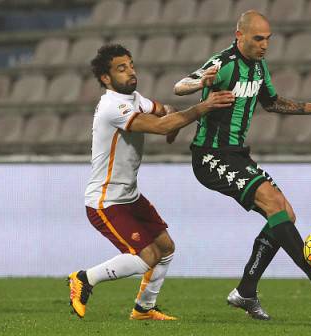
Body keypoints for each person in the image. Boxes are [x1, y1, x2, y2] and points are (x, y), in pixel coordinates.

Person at [173, 11, 311, 320]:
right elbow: (180, 86)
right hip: (211, 156)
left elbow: (271, 102)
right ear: (239, 35)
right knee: (271, 203)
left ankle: (245, 291)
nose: (265, 45)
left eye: (268, 39)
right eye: (258, 38)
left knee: (285, 213)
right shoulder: (224, 63)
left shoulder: (259, 67)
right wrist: (202, 81)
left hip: (238, 155)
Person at [68, 44, 235, 320]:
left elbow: (163, 111)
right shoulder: (113, 106)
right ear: (106, 79)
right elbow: (160, 126)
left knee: (166, 248)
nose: (130, 71)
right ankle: (84, 278)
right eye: (121, 69)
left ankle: (144, 308)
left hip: (130, 198)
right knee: (145, 255)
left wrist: (172, 120)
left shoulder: (134, 98)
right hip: (105, 201)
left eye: (131, 65)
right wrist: (202, 107)